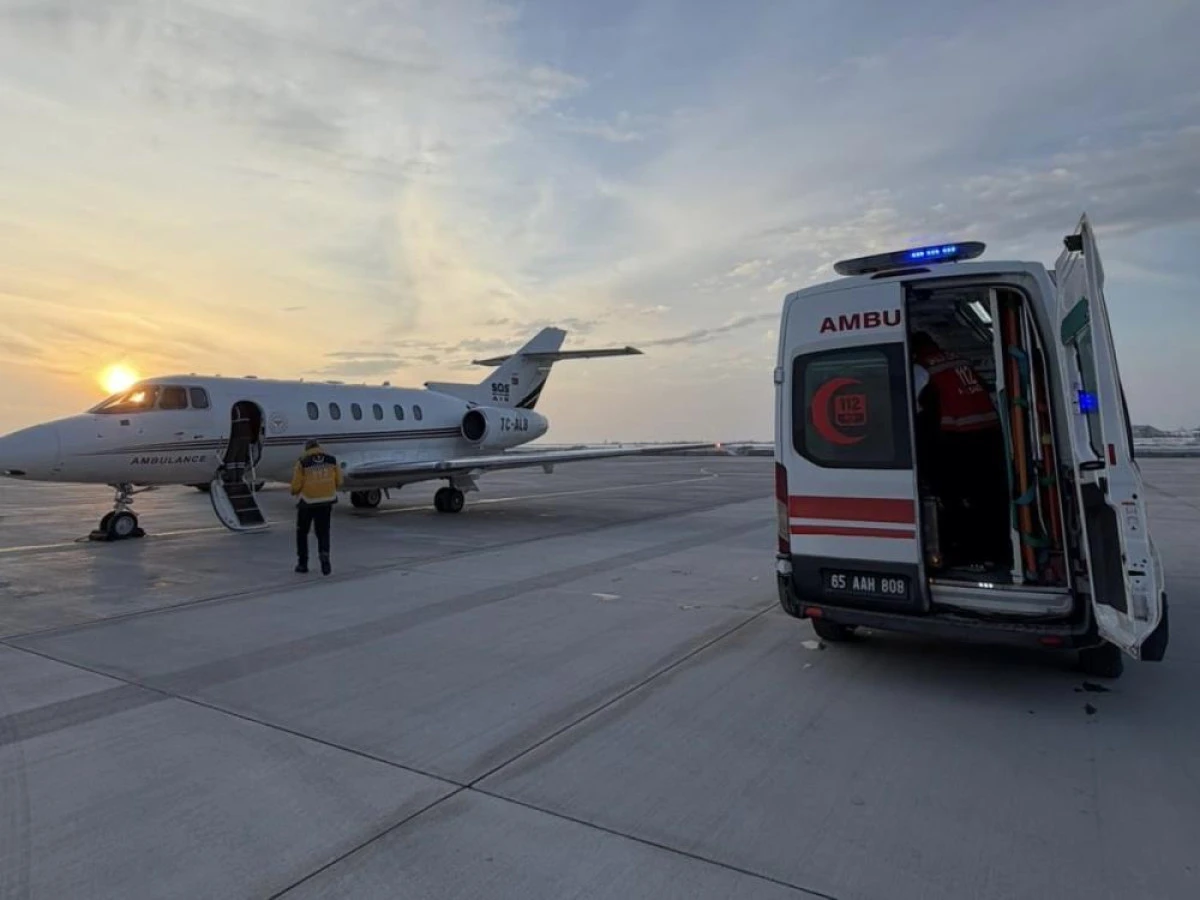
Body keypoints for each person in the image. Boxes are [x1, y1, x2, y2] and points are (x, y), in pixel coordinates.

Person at [910, 331, 1009, 569]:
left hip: (958, 438)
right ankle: (1000, 550)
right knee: (992, 497)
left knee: (956, 498)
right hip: (989, 433)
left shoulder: (921, 368)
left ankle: (968, 553)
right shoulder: (958, 360)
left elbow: (911, 405)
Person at [290, 438, 343, 575]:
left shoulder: (302, 462)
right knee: (323, 532)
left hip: (307, 503)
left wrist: (294, 492)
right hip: (326, 502)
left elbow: (296, 486)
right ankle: (325, 558)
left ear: (307, 449)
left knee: (302, 533)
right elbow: (340, 481)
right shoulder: (331, 460)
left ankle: (303, 563)